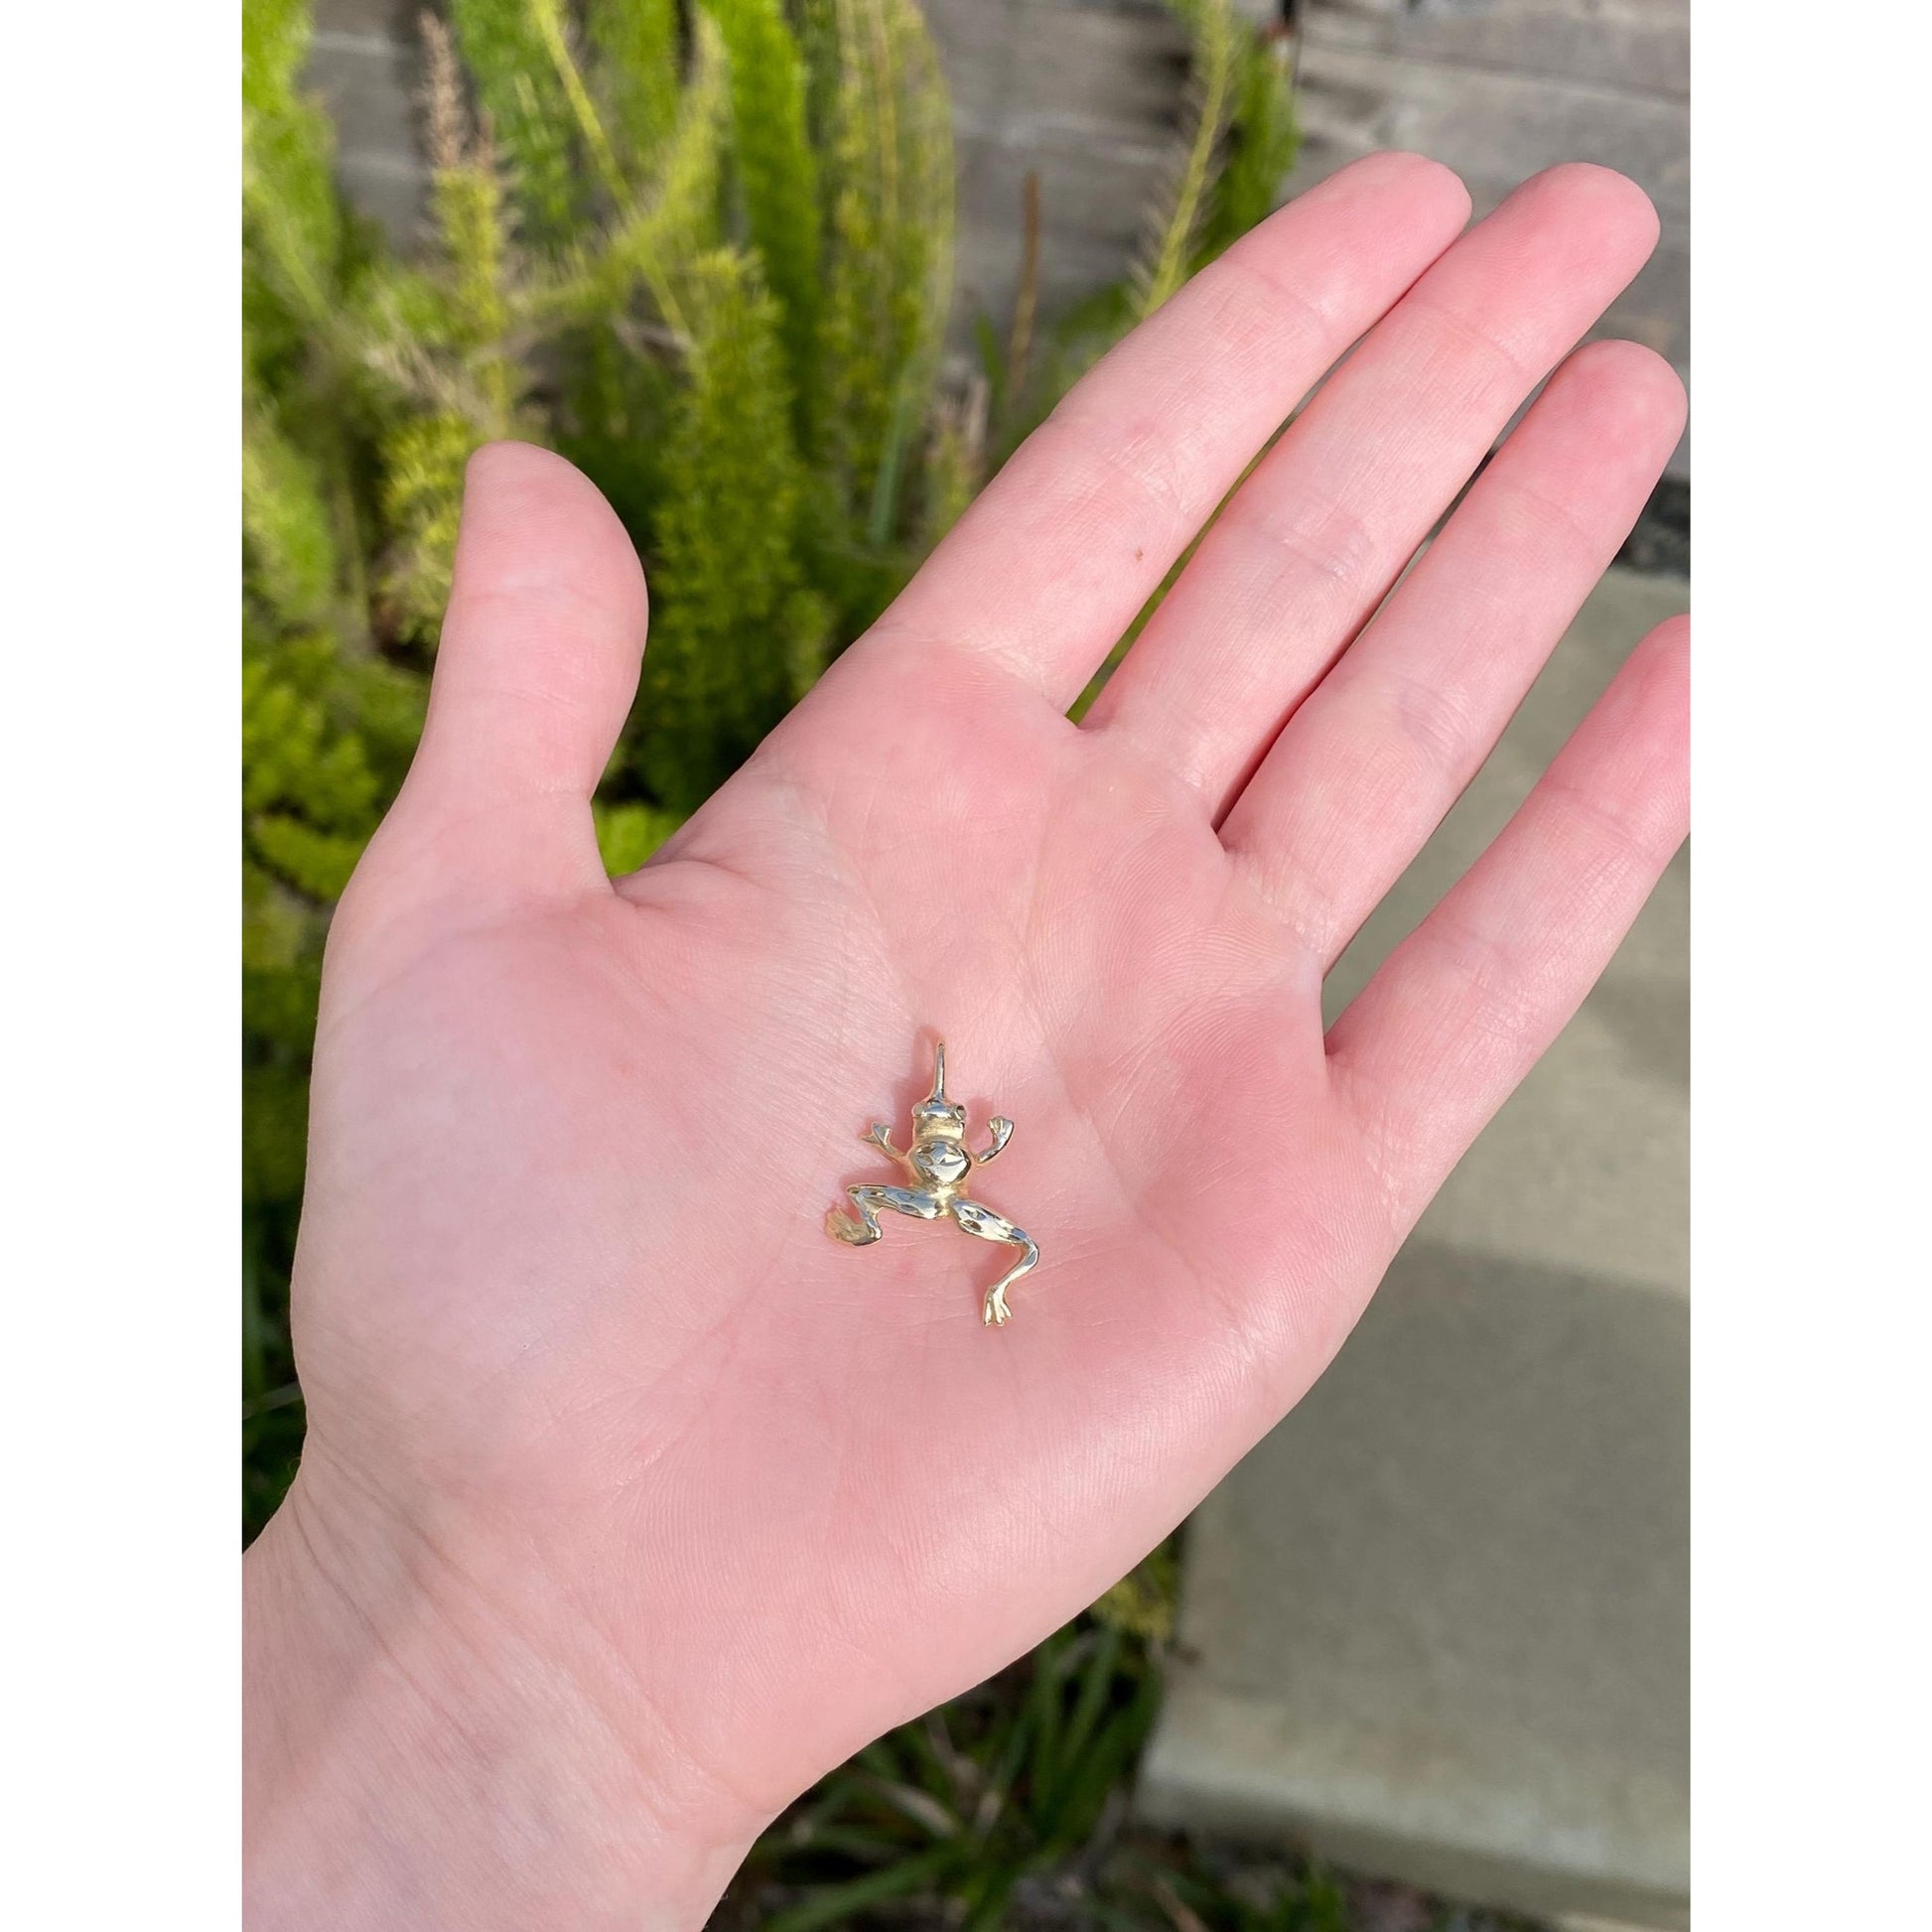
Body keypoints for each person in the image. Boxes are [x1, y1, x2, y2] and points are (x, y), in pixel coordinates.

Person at [243, 153, 1688, 1928]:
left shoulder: (950, 1164)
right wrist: (470, 1624)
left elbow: (949, 1143)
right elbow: (931, 1137)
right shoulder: (921, 1157)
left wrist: (437, 1669)